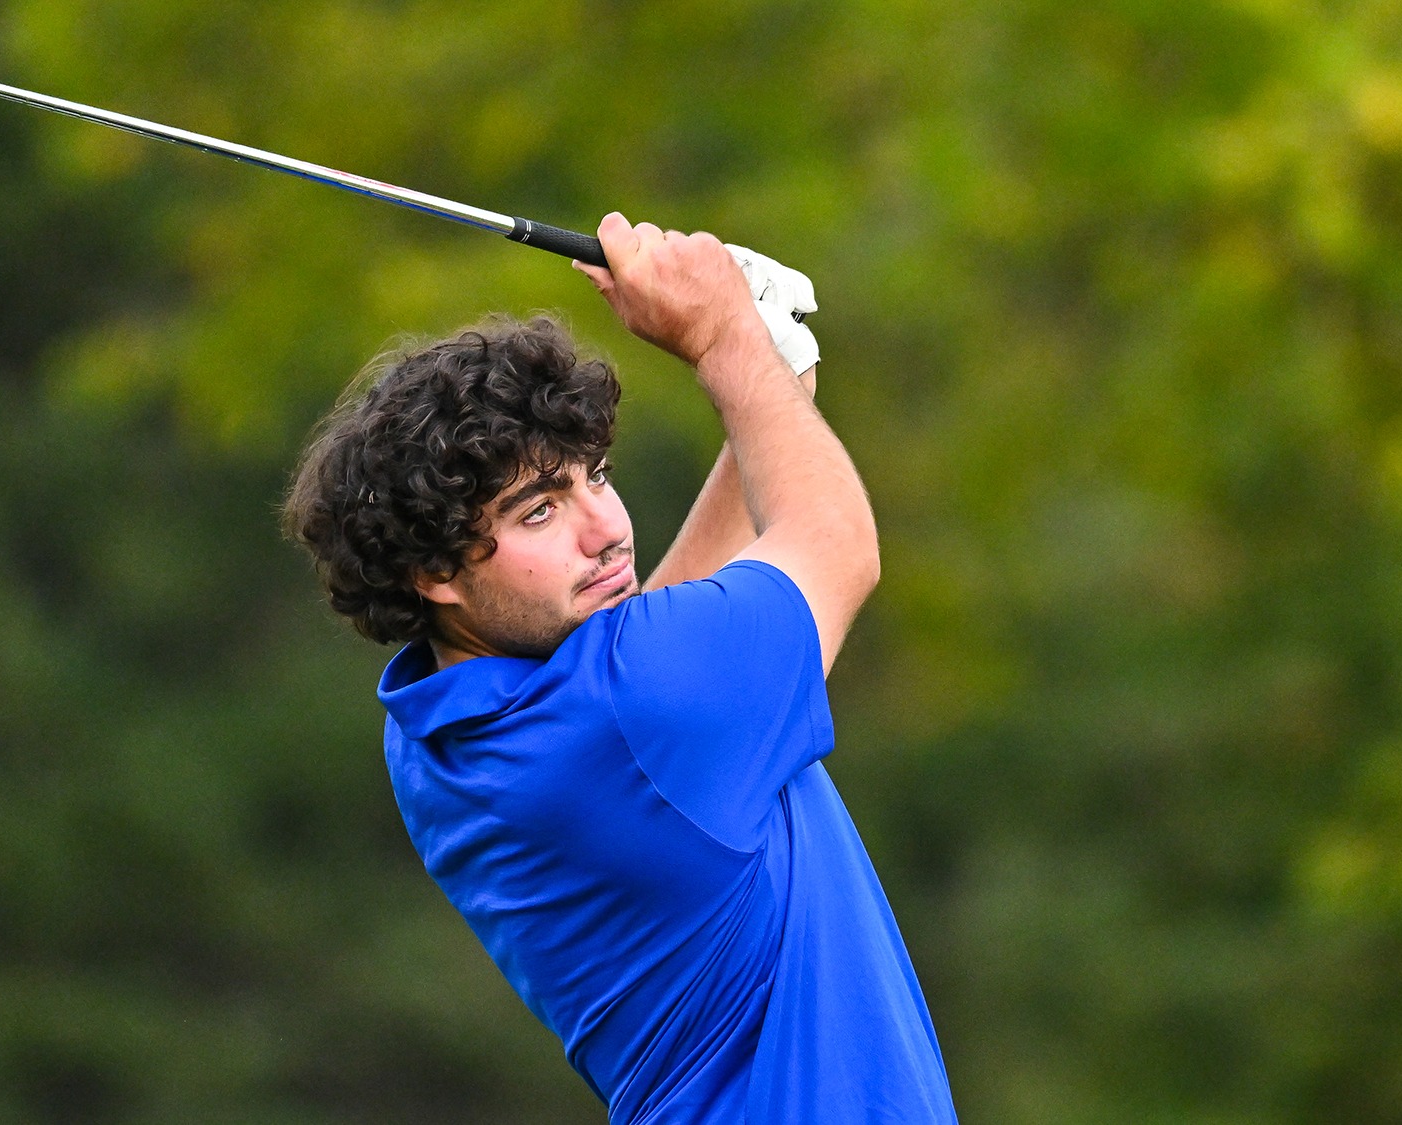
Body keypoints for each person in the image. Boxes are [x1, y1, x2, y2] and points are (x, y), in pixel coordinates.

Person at [283, 213, 959, 1123]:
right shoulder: (636, 705)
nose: (605, 530)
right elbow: (835, 545)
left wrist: (773, 364)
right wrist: (722, 338)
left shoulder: (432, 732)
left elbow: (659, 646)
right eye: (539, 511)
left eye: (595, 474)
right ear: (434, 571)